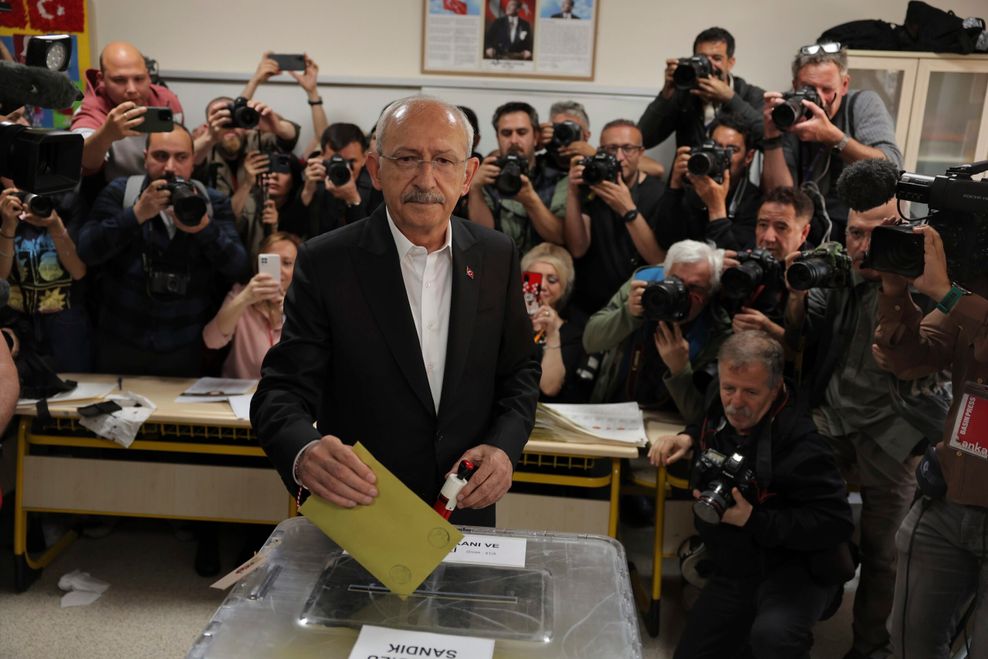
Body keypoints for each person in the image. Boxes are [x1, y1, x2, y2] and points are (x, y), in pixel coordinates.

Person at [251, 96, 541, 526]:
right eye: (407, 158)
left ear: (468, 176)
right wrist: (303, 452)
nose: (426, 178)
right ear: (375, 171)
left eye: (444, 160)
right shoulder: (328, 261)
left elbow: (520, 371)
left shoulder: (497, 255)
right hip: (360, 509)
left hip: (465, 507)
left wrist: (504, 447)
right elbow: (280, 393)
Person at [785, 159, 945, 659]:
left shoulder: (927, 283)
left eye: (875, 235)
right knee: (795, 520)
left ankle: (870, 647)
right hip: (831, 415)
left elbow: (930, 362)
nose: (862, 246)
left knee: (884, 550)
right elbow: (801, 334)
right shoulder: (838, 271)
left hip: (896, 427)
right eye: (854, 233)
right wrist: (796, 293)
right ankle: (786, 629)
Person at [650, 330, 854, 659]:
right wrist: (688, 438)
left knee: (773, 639)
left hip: (797, 571)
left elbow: (837, 524)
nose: (736, 402)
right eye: (729, 388)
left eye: (751, 392)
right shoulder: (721, 404)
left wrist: (755, 520)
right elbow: (710, 420)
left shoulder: (803, 447)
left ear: (776, 389)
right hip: (737, 566)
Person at [873, 226, 988, 657]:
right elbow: (912, 359)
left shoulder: (962, 293)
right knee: (909, 644)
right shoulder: (977, 281)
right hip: (950, 496)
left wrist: (948, 293)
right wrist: (895, 290)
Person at [77, 125, 248, 376]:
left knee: (174, 416)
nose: (170, 167)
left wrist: (203, 228)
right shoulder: (121, 192)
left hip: (184, 344)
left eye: (181, 157)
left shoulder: (212, 203)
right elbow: (87, 250)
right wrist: (135, 215)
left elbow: (239, 267)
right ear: (145, 157)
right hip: (119, 340)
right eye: (160, 156)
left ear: (193, 161)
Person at [761, 43, 901, 245]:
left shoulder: (862, 104)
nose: (819, 99)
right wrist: (772, 136)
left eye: (827, 89)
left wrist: (835, 138)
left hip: (859, 229)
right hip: (807, 231)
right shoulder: (788, 112)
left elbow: (892, 167)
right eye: (808, 89)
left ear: (844, 85)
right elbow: (782, 198)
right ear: (794, 85)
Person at [582, 240, 731, 423]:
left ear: (710, 293)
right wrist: (628, 315)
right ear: (665, 274)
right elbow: (590, 341)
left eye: (695, 287)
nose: (681, 293)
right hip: (613, 415)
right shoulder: (644, 283)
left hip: (672, 430)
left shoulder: (716, 327)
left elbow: (701, 417)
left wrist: (679, 369)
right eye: (676, 282)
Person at [564, 119, 665, 317]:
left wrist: (627, 209)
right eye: (611, 149)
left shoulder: (659, 194)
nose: (619, 157)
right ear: (600, 151)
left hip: (638, 305)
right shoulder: (590, 186)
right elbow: (577, 248)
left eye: (627, 148)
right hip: (590, 304)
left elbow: (658, 260)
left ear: (640, 152)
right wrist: (573, 192)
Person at [0, 185, 91, 372]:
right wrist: (7, 226)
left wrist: (55, 225)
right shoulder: (3, 206)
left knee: (74, 389)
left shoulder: (68, 202)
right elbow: (1, 278)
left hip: (65, 320)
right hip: (17, 322)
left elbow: (79, 272)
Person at [72, 41, 184, 181]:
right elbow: (83, 160)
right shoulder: (91, 109)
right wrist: (107, 133)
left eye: (139, 78)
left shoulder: (167, 99)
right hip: (113, 193)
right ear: (101, 79)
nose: (132, 89)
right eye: (119, 80)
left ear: (148, 76)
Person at [638, 27, 764, 151]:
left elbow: (771, 142)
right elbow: (642, 141)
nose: (709, 65)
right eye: (702, 58)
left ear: (730, 62)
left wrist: (731, 99)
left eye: (717, 58)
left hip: (731, 172)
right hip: (686, 170)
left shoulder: (750, 95)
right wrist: (665, 96)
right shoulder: (684, 94)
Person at [467, 101, 566, 254]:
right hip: (497, 265)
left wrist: (531, 201)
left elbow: (560, 238)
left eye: (521, 132)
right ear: (497, 137)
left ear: (536, 137)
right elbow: (483, 239)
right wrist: (475, 188)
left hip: (543, 271)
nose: (514, 140)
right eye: (506, 133)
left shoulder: (555, 177)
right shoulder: (487, 174)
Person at [654, 114, 761, 252]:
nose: (720, 156)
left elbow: (735, 259)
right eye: (715, 147)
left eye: (731, 150)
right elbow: (665, 242)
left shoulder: (755, 202)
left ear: (748, 157)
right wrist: (675, 186)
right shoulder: (691, 187)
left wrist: (716, 209)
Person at [203, 232, 300, 380]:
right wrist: (245, 298)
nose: (279, 270)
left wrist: (289, 314)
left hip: (286, 394)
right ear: (258, 264)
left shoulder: (306, 303)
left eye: (287, 263)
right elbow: (212, 341)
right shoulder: (241, 294)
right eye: (270, 262)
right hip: (241, 394)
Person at [192, 91, 300, 220]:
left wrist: (277, 126)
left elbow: (290, 138)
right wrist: (209, 137)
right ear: (208, 124)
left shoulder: (255, 141)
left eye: (233, 118)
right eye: (221, 119)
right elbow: (185, 156)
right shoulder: (205, 150)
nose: (230, 127)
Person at [726, 186, 813, 345]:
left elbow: (810, 350)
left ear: (804, 233)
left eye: (781, 227)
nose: (768, 237)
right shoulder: (747, 255)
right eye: (763, 224)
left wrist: (769, 330)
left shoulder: (814, 274)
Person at [522, 243, 588, 403]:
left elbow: (549, 388)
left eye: (552, 280)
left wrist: (552, 334)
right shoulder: (506, 320)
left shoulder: (573, 334)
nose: (542, 286)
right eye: (534, 278)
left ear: (564, 287)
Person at [294, 123, 384, 238]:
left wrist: (353, 200)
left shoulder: (376, 186)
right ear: (322, 157)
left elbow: (374, 239)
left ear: (364, 158)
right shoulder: (315, 182)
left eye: (351, 161)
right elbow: (293, 233)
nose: (344, 168)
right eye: (335, 161)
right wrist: (307, 192)